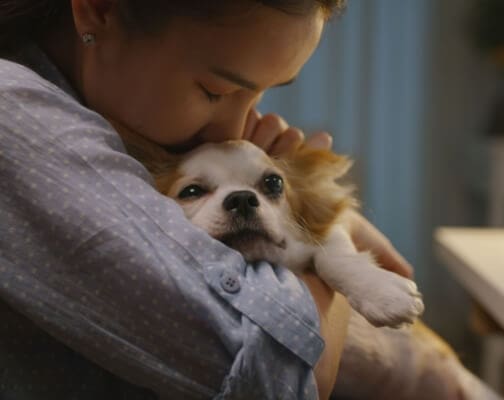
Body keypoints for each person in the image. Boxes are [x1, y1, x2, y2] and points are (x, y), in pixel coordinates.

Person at [0, 1, 413, 399]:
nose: (236, 129)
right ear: (99, 7)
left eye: (259, 95)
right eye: (215, 90)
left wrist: (311, 211)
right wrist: (326, 229)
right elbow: (281, 373)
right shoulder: (13, 114)